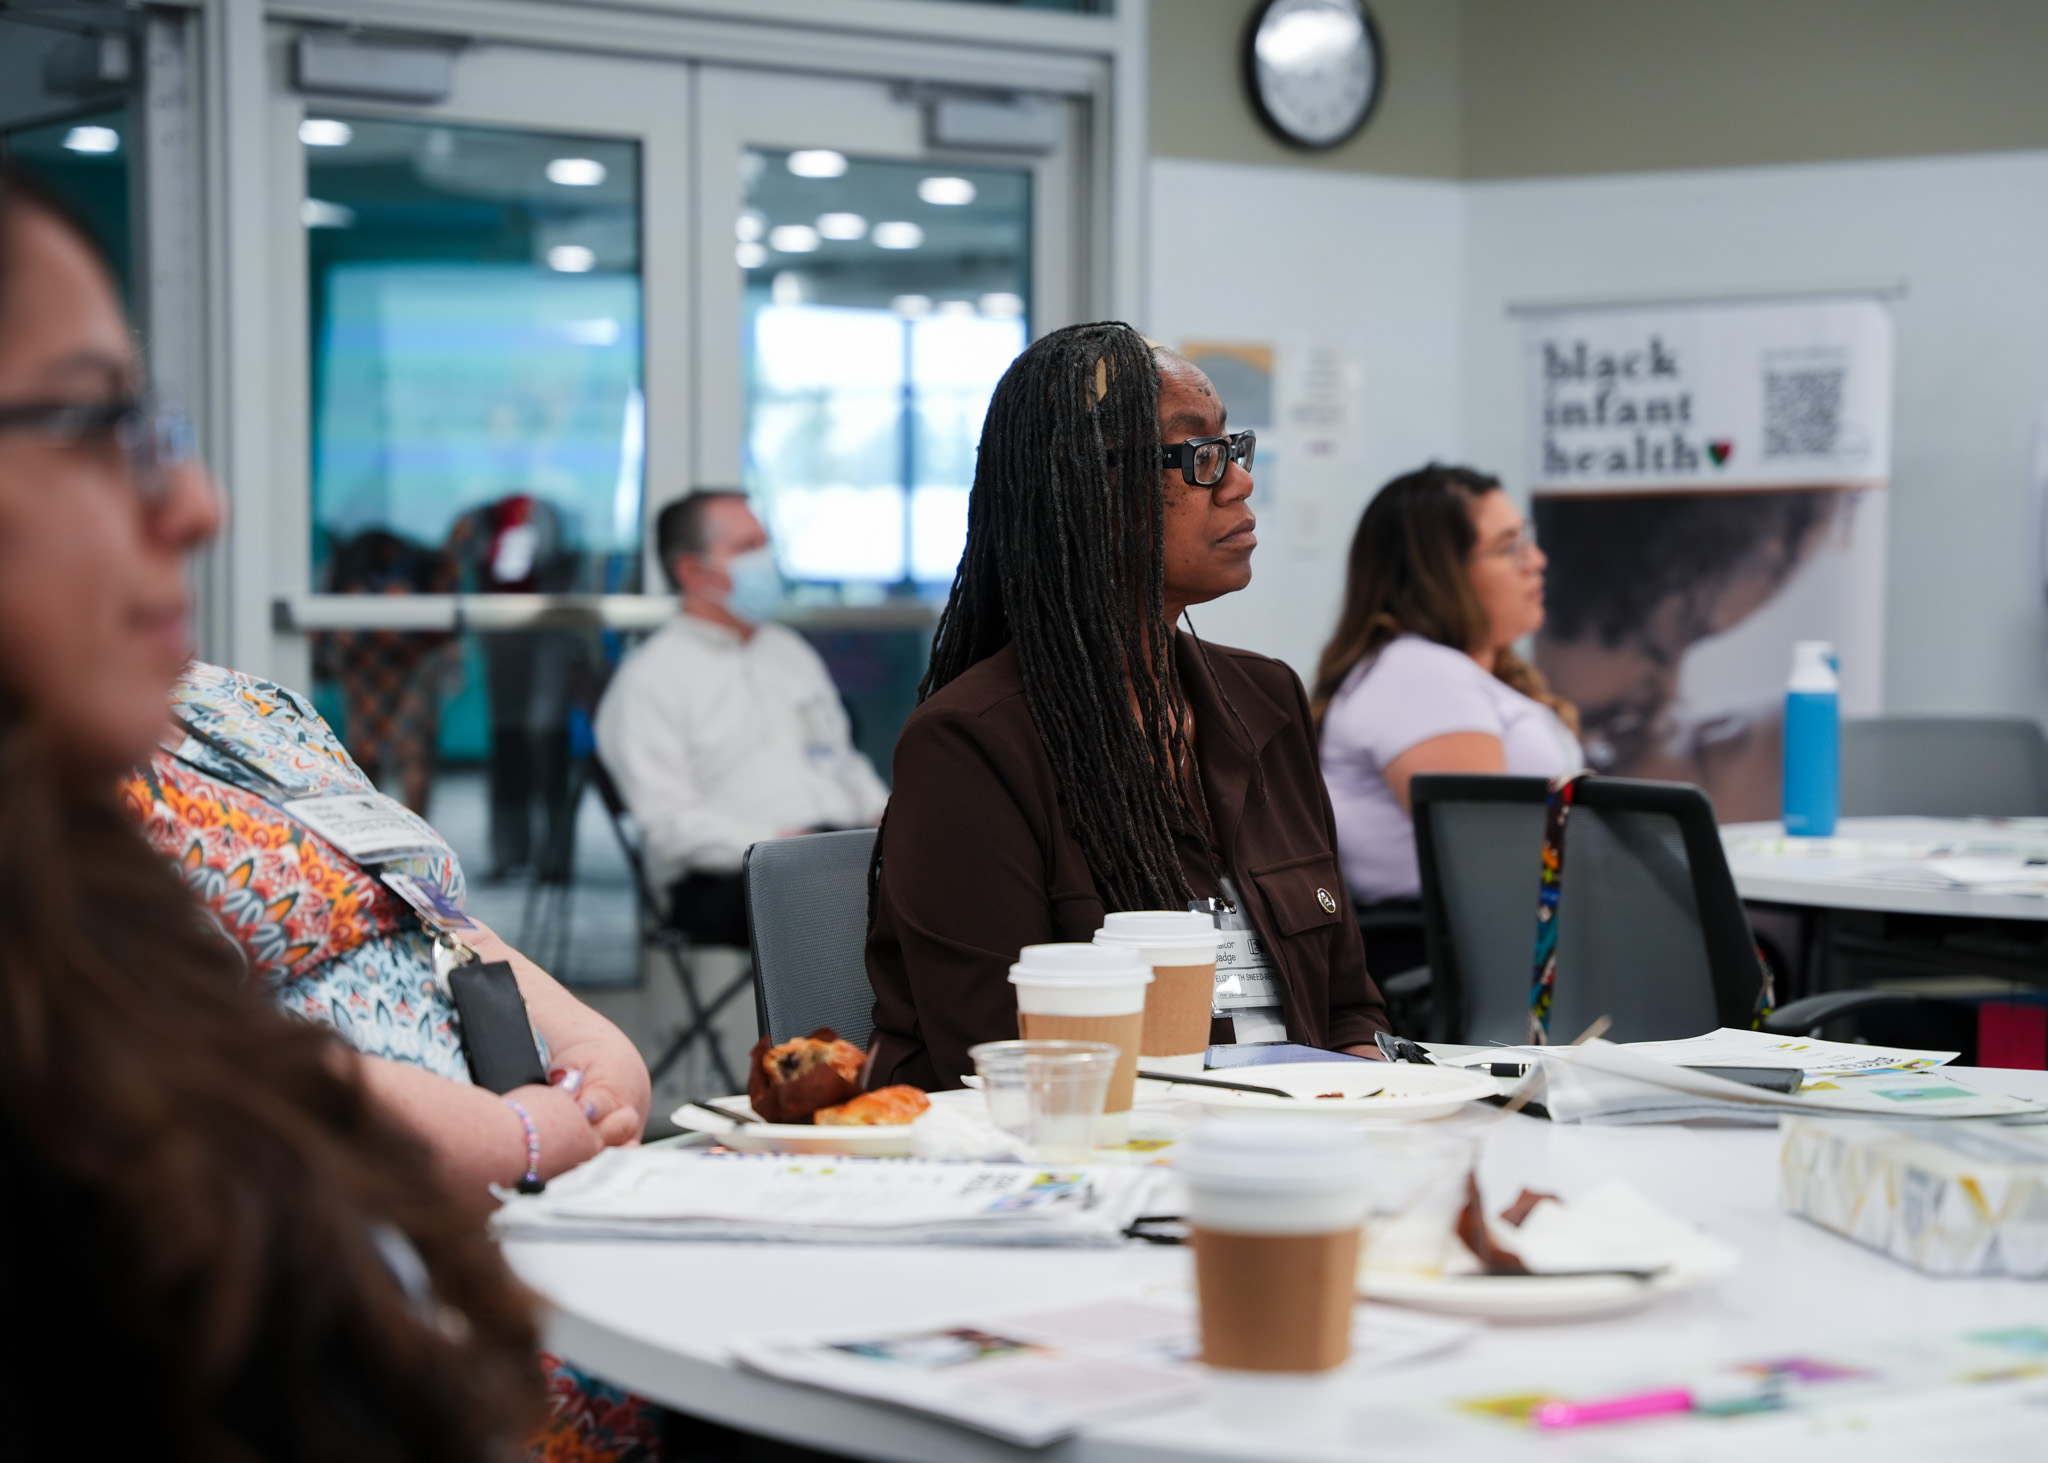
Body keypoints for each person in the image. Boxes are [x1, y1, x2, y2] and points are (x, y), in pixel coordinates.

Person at [0, 160, 542, 1460]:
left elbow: (440, 910)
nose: (195, 505)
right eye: (88, 422)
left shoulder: (80, 924)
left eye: (156, 430)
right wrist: (524, 1129)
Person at [866, 323, 1390, 1091]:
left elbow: (1348, 1003)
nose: (1240, 482)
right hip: (1103, 1155)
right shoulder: (972, 743)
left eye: (1232, 449)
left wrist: (1378, 1096)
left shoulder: (1265, 699)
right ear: (1087, 489)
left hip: (1299, 1138)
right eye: (1198, 457)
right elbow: (1007, 1058)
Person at [1311, 464, 1584, 977]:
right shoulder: (1422, 676)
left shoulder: (1449, 671)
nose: (1537, 561)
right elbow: (1491, 863)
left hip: (1508, 951)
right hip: (1474, 965)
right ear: (1440, 575)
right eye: (1510, 547)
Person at [594, 489, 889, 948]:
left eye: (765, 543)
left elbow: (840, 760)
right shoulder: (649, 679)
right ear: (692, 570)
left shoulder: (789, 652)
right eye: (748, 548)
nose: (767, 560)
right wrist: (779, 844)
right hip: (734, 876)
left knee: (952, 868)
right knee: (866, 903)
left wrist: (890, 819)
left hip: (838, 852)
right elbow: (668, 823)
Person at [315, 527, 459, 814]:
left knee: (410, 753)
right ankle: (374, 834)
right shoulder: (353, 564)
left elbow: (443, 627)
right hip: (369, 662)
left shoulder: (417, 563)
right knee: (371, 752)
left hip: (412, 662)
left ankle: (413, 836)